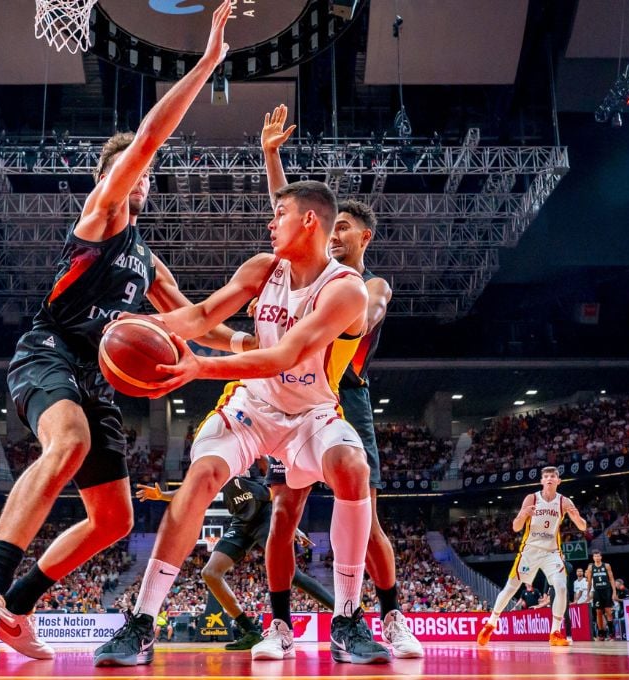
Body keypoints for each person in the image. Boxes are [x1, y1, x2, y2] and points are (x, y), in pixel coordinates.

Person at [0, 0, 247, 666]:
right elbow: (145, 143)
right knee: (70, 442)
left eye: (140, 178)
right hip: (49, 352)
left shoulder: (148, 261)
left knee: (114, 519)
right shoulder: (102, 212)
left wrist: (254, 349)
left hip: (95, 376)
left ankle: (18, 609)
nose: (137, 180)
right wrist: (206, 64)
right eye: (128, 172)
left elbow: (196, 322)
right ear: (114, 178)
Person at [93, 178, 389, 666]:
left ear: (308, 220)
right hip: (252, 405)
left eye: (280, 215)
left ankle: (348, 619)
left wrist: (200, 367)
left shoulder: (347, 291)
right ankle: (142, 621)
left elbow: (285, 354)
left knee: (352, 467)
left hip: (311, 412)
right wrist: (135, 327)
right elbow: (202, 315)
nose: (270, 225)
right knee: (202, 476)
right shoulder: (261, 268)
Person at [258, 104, 421, 660]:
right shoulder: (312, 270)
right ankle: (278, 626)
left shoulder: (367, 286)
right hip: (294, 391)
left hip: (345, 395)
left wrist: (352, 325)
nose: (334, 236)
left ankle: (389, 616)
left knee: (365, 515)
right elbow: (293, 219)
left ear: (363, 237)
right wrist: (273, 158)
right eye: (332, 228)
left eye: (344, 229)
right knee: (286, 512)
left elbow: (371, 308)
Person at [134, 462, 335, 651]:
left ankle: (342, 613)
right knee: (211, 573)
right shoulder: (220, 464)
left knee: (292, 575)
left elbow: (280, 493)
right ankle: (250, 631)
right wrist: (162, 496)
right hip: (241, 523)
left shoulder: (257, 455)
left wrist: (292, 527)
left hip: (266, 518)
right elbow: (191, 493)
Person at [476, 467, 587, 648]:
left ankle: (555, 632)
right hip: (530, 550)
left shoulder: (564, 501)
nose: (549, 479)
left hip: (552, 552)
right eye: (546, 476)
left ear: (558, 481)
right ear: (541, 481)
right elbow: (516, 527)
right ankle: (491, 623)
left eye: (553, 476)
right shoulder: (532, 498)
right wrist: (524, 514)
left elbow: (582, 527)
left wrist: (576, 516)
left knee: (561, 587)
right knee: (511, 587)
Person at [586, 550, 618, 641]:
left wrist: (614, 592)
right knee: (598, 612)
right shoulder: (590, 567)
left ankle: (611, 633)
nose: (597, 558)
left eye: (598, 556)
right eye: (595, 556)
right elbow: (589, 582)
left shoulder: (606, 565)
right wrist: (588, 593)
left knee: (608, 611)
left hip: (606, 590)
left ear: (601, 557)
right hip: (597, 591)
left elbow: (611, 579)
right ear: (593, 558)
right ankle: (601, 633)